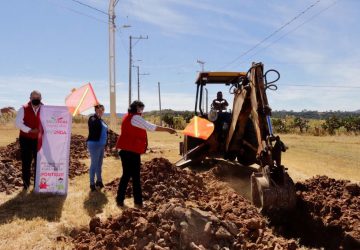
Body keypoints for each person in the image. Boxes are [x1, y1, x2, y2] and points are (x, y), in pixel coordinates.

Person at [115, 101, 176, 207]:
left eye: (142, 109)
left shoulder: (128, 117)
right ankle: (136, 202)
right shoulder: (135, 118)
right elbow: (151, 127)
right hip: (130, 151)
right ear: (136, 108)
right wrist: (168, 129)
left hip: (126, 150)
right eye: (140, 109)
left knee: (128, 176)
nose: (142, 111)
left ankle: (122, 200)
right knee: (134, 176)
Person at [15, 90, 43, 190]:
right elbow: (18, 123)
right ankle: (26, 185)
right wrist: (30, 130)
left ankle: (37, 185)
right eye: (34, 98)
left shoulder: (45, 108)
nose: (36, 99)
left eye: (38, 98)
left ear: (41, 98)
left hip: (38, 140)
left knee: (38, 162)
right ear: (30, 98)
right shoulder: (23, 108)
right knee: (26, 162)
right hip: (25, 139)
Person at [87, 104, 108, 192]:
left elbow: (105, 132)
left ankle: (99, 181)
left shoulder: (102, 120)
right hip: (94, 144)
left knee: (99, 164)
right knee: (94, 164)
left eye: (103, 109)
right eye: (99, 109)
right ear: (96, 109)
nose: (101, 111)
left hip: (101, 145)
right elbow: (93, 126)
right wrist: (97, 116)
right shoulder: (92, 118)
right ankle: (92, 183)